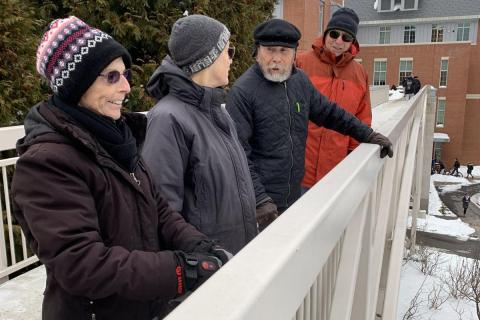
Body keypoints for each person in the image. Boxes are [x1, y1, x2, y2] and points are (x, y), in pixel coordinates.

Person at [11, 16, 230, 320]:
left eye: (125, 74)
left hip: (142, 307)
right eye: (111, 77)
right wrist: (181, 270)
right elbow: (83, 263)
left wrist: (199, 245)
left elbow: (159, 210)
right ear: (77, 85)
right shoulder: (46, 164)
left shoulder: (118, 139)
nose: (127, 86)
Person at [226, 18, 393, 223]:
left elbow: (330, 113)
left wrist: (367, 134)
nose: (276, 59)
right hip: (260, 206)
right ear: (257, 52)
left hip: (293, 197)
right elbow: (238, 153)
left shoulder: (300, 81)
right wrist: (259, 198)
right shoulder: (243, 91)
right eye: (270, 50)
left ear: (294, 53)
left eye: (284, 51)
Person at [142, 15, 258, 245]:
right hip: (204, 270)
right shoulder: (167, 119)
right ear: (208, 58)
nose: (231, 59)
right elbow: (162, 211)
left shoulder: (218, 112)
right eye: (228, 51)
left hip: (234, 260)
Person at [296, 8, 372, 190]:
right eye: (334, 34)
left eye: (346, 37)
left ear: (352, 42)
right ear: (325, 34)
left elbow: (362, 119)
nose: (339, 41)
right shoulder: (300, 63)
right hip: (298, 171)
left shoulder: (359, 73)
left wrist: (354, 160)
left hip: (335, 174)